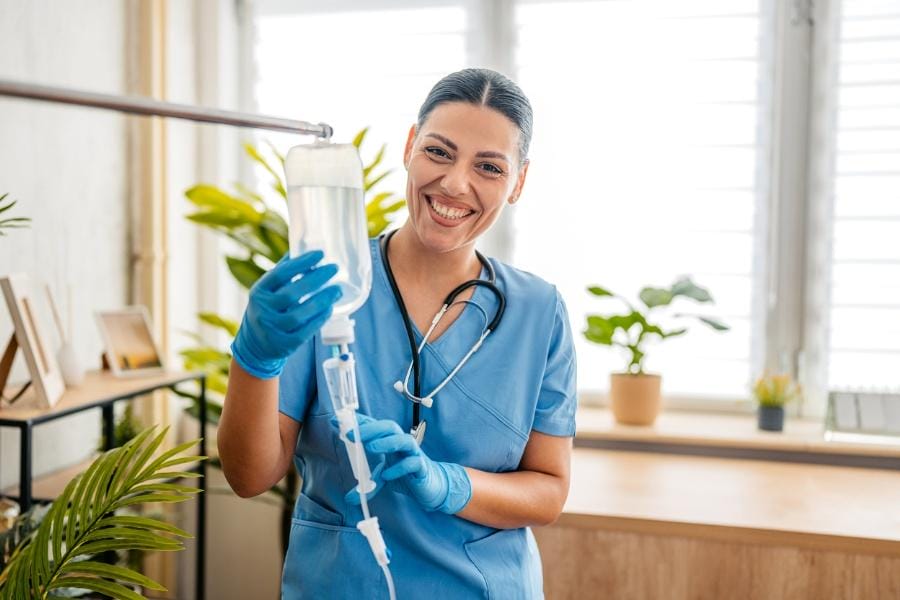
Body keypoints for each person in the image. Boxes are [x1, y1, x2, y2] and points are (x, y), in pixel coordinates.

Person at [218, 67, 577, 599]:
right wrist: (254, 360)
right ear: (409, 147)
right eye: (438, 151)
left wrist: (447, 484)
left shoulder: (539, 312)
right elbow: (249, 477)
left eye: (488, 166)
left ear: (518, 182)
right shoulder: (327, 283)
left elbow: (548, 491)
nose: (456, 183)